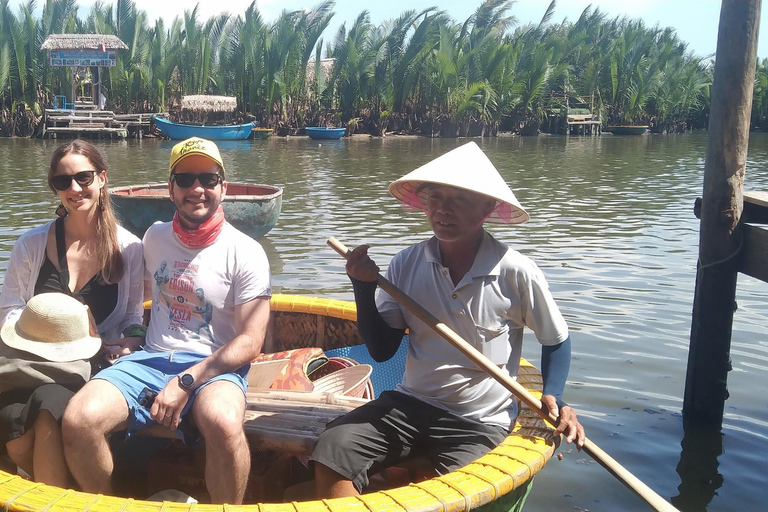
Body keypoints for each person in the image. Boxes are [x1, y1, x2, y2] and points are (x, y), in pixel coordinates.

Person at [311, 141, 586, 498]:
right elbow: (381, 351)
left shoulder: (515, 272)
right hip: (410, 405)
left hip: (479, 421)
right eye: (434, 198)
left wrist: (556, 395)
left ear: (488, 207)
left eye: (459, 199)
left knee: (456, 490)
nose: (443, 209)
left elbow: (556, 339)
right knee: (333, 448)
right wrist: (362, 287)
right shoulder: (406, 264)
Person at [62, 137, 272, 504]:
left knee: (224, 424)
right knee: (79, 419)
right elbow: (141, 300)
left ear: (223, 187)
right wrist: (135, 333)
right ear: (171, 189)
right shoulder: (154, 237)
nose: (197, 189)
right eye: (186, 179)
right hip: (149, 359)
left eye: (208, 179)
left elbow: (251, 341)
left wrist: (187, 381)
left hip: (214, 368)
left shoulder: (247, 252)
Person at [0, 139, 145, 485]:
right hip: (30, 362)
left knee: (48, 415)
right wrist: (47, 329)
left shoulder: (129, 248)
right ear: (55, 188)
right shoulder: (31, 244)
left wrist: (130, 342)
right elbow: (9, 310)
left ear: (102, 178)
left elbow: (133, 319)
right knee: (22, 440)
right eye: (62, 181)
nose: (74, 188)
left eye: (84, 177)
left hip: (87, 365)